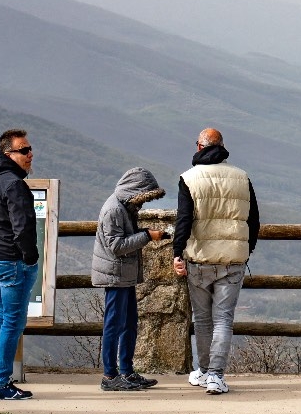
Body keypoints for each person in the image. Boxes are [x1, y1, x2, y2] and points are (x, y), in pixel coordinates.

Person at [173, 128, 259, 395]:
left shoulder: (189, 179)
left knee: (202, 319)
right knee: (223, 319)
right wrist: (245, 250)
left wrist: (177, 253)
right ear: (221, 147)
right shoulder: (242, 177)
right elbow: (253, 221)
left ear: (199, 147)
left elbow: (184, 220)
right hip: (233, 260)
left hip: (199, 259)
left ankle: (204, 371)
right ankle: (216, 376)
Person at [0, 128, 40, 400]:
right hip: (12, 261)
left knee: (3, 316)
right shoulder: (14, 184)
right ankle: (0, 384)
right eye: (23, 150)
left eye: (29, 149)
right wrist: (30, 257)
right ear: (8, 154)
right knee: (13, 321)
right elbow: (22, 227)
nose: (30, 154)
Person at [91, 167, 167, 392]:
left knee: (129, 323)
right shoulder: (114, 210)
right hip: (115, 276)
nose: (144, 203)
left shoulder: (124, 206)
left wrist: (144, 233)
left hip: (123, 276)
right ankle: (109, 375)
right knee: (113, 325)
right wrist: (146, 236)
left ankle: (126, 371)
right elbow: (117, 246)